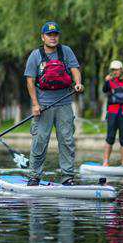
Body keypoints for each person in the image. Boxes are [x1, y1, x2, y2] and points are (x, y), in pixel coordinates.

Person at [24, 21, 83, 186]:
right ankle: (34, 176)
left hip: (64, 104)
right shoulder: (35, 55)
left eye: (55, 34)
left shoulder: (66, 52)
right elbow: (30, 81)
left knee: (67, 140)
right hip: (43, 106)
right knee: (40, 140)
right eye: (49, 35)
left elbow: (75, 69)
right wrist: (35, 104)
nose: (53, 37)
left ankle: (68, 177)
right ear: (43, 37)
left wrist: (78, 83)